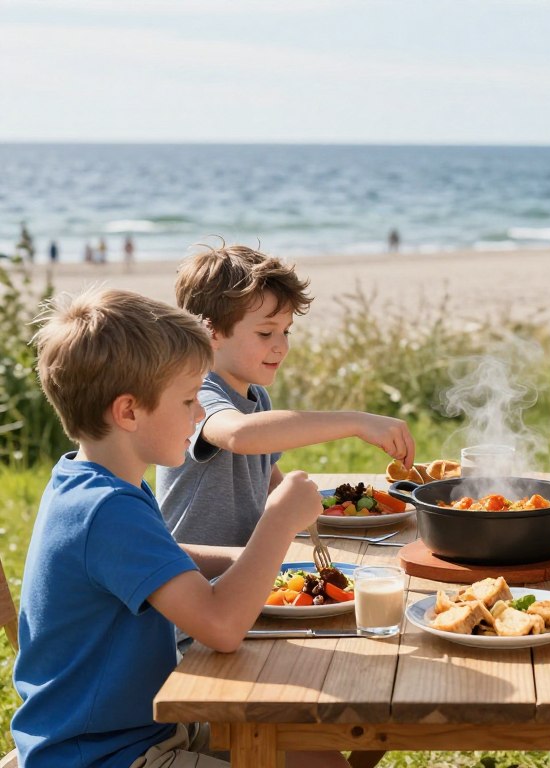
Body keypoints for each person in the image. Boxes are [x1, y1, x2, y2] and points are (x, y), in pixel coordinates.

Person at [12, 288, 351, 768]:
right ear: (128, 411)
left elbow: (164, 559)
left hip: (150, 729)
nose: (199, 416)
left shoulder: (95, 483)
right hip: (109, 755)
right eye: (190, 400)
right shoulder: (106, 508)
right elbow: (221, 628)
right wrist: (278, 521)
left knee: (316, 755)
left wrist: (255, 559)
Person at [156, 243, 416, 548]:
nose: (281, 346)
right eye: (266, 333)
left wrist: (308, 507)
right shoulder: (196, 391)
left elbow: (267, 480)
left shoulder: (257, 396)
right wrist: (356, 422)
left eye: (286, 331)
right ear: (211, 331)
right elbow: (240, 435)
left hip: (245, 564)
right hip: (193, 569)